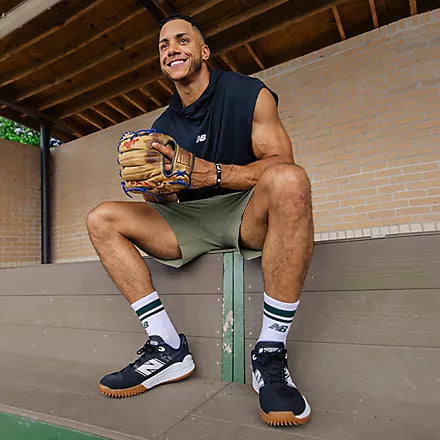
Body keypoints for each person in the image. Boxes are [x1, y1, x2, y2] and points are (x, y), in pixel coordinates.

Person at [86, 14, 314, 426]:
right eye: (163, 45)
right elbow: (172, 192)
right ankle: (167, 347)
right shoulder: (163, 126)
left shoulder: (249, 93)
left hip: (244, 209)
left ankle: (270, 352)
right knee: (101, 218)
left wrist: (212, 172)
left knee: (291, 180)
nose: (172, 49)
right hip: (186, 219)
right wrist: (157, 190)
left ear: (203, 51)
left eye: (182, 40)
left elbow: (282, 163)